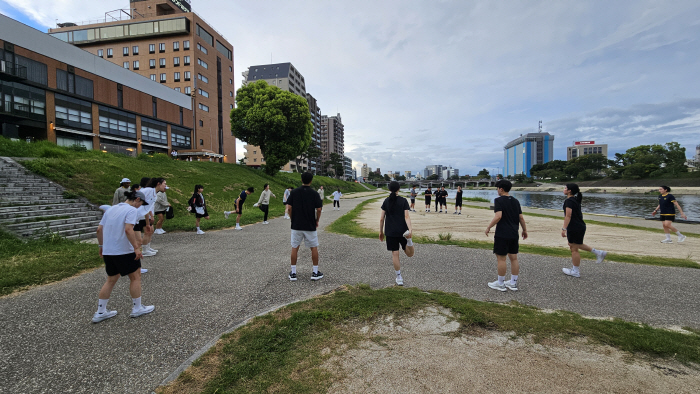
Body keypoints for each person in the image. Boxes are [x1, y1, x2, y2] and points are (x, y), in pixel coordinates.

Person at [92, 190, 154, 323]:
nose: (140, 206)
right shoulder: (131, 211)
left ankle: (100, 311)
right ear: (137, 199)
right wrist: (136, 248)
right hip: (124, 250)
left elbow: (99, 230)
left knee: (111, 280)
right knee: (136, 277)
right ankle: (137, 308)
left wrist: (101, 247)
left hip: (109, 251)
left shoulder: (110, 210)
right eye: (141, 203)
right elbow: (128, 229)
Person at [485, 180, 527, 291]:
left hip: (502, 233)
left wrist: (489, 227)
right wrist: (524, 230)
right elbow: (521, 218)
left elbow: (498, 216)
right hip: (514, 233)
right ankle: (513, 282)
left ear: (501, 189)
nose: (497, 191)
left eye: (497, 188)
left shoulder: (499, 200)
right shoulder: (515, 201)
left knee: (501, 259)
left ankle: (500, 283)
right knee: (514, 258)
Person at [561, 184, 608, 278]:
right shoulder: (575, 200)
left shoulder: (569, 201)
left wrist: (564, 228)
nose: (564, 189)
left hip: (574, 227)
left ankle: (576, 270)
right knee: (574, 246)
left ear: (569, 191)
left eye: (565, 188)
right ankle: (597, 253)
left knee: (574, 247)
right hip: (579, 226)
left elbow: (568, 215)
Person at [286, 172, 324, 281]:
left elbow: (289, 208)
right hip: (310, 224)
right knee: (314, 247)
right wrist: (317, 220)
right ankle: (315, 272)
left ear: (301, 179)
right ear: (311, 181)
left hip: (296, 224)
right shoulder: (314, 194)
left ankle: (293, 273)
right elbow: (319, 209)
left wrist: (292, 218)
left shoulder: (294, 192)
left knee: (295, 247)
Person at [379, 181, 415, 286]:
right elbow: (406, 216)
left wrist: (380, 232)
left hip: (390, 232)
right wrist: (410, 230)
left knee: (395, 254)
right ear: (399, 189)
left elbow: (382, 219)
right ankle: (409, 240)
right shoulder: (403, 200)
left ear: (389, 189)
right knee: (410, 254)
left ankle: (399, 277)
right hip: (403, 231)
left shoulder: (386, 201)